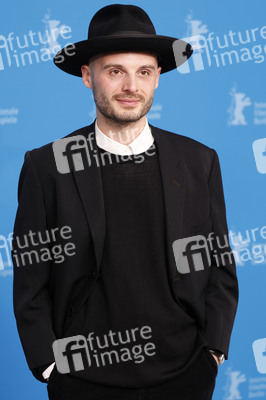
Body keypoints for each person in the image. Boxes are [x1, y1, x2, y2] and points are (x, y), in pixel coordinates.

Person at [12, 4, 239, 400]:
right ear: (88, 76)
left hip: (185, 373)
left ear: (157, 80)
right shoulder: (46, 165)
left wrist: (213, 349)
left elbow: (218, 262)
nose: (131, 86)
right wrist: (48, 364)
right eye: (115, 71)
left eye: (144, 72)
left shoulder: (199, 160)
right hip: (81, 380)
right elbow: (30, 275)